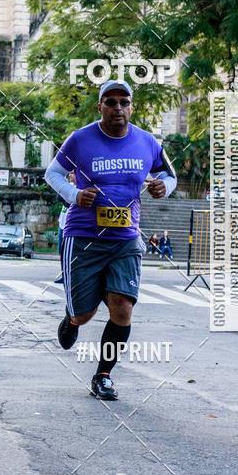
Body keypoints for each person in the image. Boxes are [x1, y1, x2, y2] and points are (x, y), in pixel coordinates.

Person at [44, 79, 177, 400]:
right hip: (84, 237)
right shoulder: (80, 139)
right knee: (85, 314)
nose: (118, 108)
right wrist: (75, 194)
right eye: (111, 101)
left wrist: (164, 187)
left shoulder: (147, 142)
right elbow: (53, 174)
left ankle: (103, 375)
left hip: (125, 239)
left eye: (124, 102)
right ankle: (73, 319)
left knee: (122, 309)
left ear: (132, 106)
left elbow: (168, 175)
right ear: (100, 106)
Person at [54, 172, 75, 284]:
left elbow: (68, 202)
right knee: (61, 251)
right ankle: (64, 273)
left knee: (69, 251)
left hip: (70, 225)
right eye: (70, 173)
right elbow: (59, 196)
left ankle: (69, 274)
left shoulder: (78, 187)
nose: (70, 175)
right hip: (62, 223)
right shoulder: (69, 185)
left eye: (73, 173)